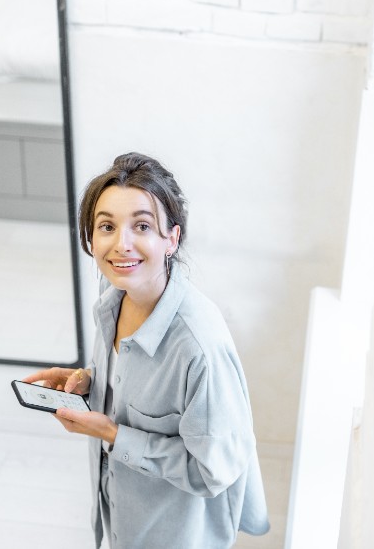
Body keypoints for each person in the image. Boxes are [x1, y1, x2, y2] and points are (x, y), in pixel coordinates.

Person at [22, 152, 269, 549]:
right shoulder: (115, 293)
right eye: (106, 226)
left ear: (172, 238)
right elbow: (129, 376)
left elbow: (213, 471)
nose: (122, 245)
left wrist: (113, 434)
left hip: (173, 533)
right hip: (120, 517)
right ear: (90, 237)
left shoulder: (199, 348)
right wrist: (87, 380)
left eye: (142, 226)